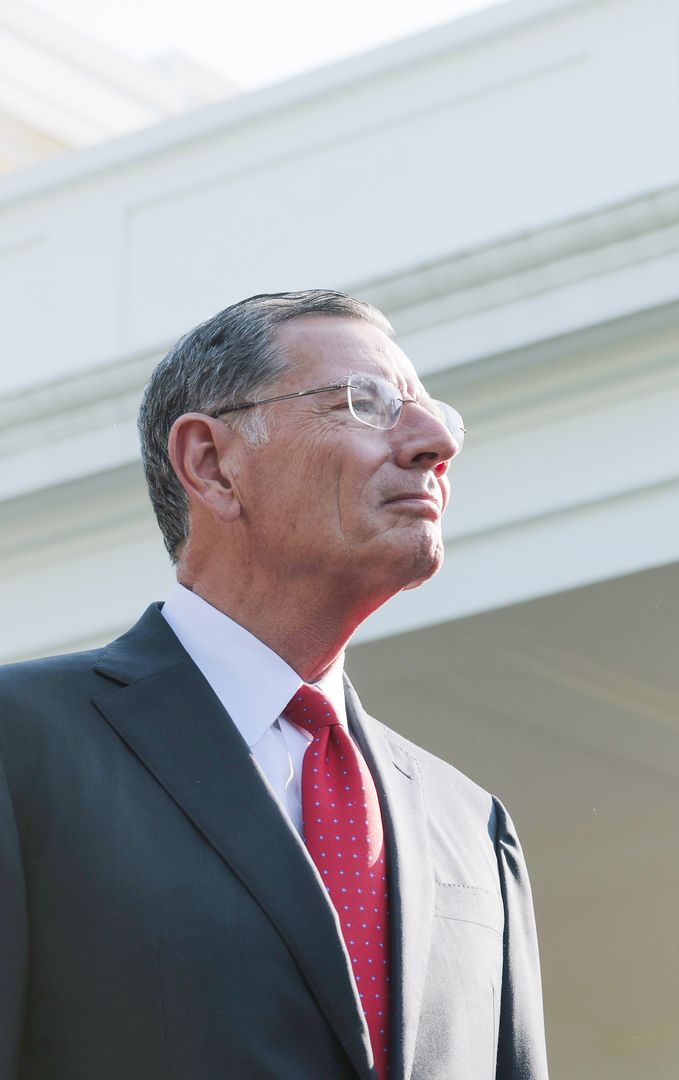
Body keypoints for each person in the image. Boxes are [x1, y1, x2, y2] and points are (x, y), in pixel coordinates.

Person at [0, 291, 547, 1079]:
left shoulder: (474, 829)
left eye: (435, 415)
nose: (433, 443)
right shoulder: (23, 748)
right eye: (367, 404)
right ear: (212, 464)